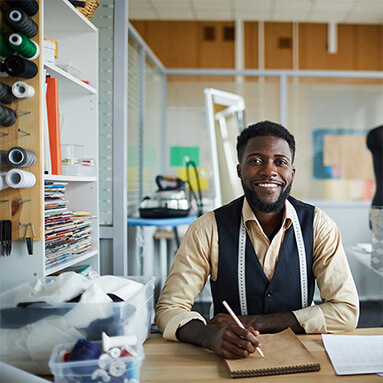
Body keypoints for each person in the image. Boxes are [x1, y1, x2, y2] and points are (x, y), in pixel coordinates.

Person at [155, 120, 359, 360]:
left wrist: (254, 322)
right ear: (239, 169)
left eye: (280, 162)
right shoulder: (208, 228)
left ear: (291, 173)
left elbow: (346, 311)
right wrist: (211, 337)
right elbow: (169, 308)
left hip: (303, 356)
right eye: (255, 161)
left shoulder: (318, 225)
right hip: (230, 359)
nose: (268, 170)